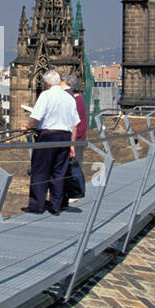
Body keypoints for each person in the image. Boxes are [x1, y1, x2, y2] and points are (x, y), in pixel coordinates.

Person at [22, 70, 78, 215]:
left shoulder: (46, 95)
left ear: (47, 83)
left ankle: (37, 206)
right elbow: (75, 123)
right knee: (59, 172)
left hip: (48, 136)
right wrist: (72, 144)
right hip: (64, 137)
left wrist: (27, 127)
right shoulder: (69, 98)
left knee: (40, 171)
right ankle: (55, 206)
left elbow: (36, 117)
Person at [61, 74, 88, 208]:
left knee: (72, 167)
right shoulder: (79, 100)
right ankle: (73, 193)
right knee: (75, 166)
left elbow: (74, 124)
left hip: (75, 139)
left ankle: (73, 193)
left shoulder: (75, 101)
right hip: (79, 138)